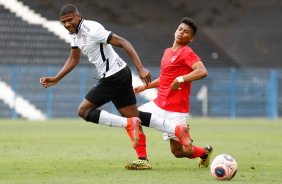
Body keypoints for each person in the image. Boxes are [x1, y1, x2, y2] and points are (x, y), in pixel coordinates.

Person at [39, 4, 153, 149]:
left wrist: (140, 68)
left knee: (84, 111)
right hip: (120, 73)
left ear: (78, 16)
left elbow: (124, 42)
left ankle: (129, 124)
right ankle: (168, 135)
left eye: (69, 20)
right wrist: (56, 78)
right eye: (64, 22)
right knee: (134, 115)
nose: (67, 24)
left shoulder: (92, 30)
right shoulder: (74, 33)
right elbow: (74, 59)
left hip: (114, 76)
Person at [124, 17, 213, 170]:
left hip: (176, 109)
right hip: (159, 103)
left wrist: (180, 79)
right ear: (175, 30)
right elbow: (166, 78)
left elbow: (202, 71)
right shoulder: (167, 52)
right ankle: (142, 159)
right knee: (133, 117)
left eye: (186, 32)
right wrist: (146, 87)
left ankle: (204, 153)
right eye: (180, 29)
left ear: (191, 39)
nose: (181, 33)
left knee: (178, 152)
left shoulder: (186, 52)